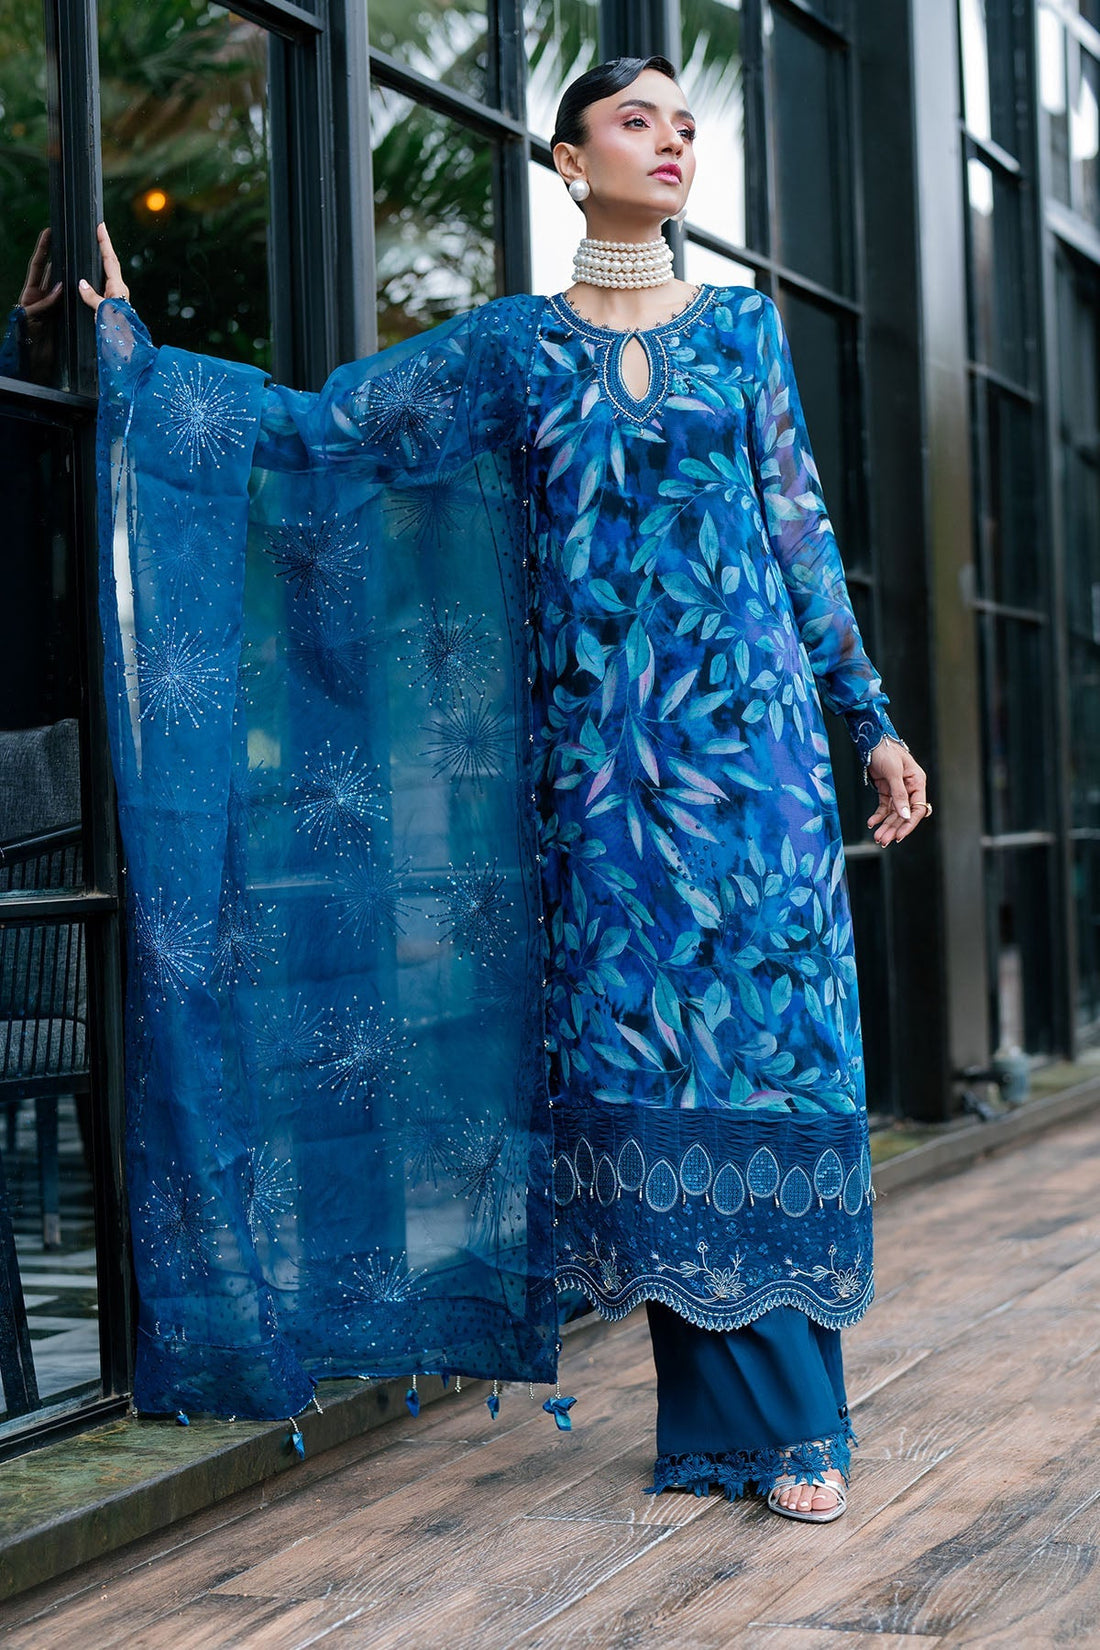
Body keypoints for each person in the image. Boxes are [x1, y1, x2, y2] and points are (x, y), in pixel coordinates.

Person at [81, 54, 928, 1523]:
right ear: (567, 159)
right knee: (649, 1070)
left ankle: (804, 1423)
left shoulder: (743, 330)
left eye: (682, 124)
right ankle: (718, 1427)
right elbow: (329, 433)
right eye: (634, 121)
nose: (669, 141)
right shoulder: (515, 352)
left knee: (768, 1061)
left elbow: (799, 532)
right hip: (602, 798)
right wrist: (136, 361)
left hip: (758, 773)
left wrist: (874, 722)